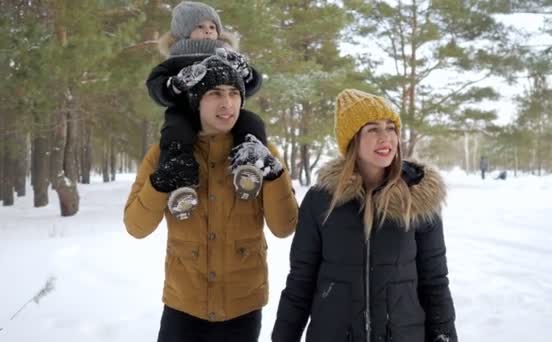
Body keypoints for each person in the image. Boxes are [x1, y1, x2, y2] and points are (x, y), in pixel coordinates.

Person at [124, 55, 299, 342]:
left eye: (233, 93)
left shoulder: (261, 152)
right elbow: (136, 227)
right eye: (215, 93)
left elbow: (284, 228)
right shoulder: (163, 154)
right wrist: (160, 183)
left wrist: (273, 173)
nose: (227, 103)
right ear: (195, 100)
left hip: (242, 307)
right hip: (184, 306)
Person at [272, 89, 457, 342]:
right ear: (352, 140)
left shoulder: (418, 199)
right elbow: (300, 281)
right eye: (372, 129)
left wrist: (445, 336)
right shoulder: (321, 200)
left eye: (391, 128)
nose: (386, 138)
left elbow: (435, 282)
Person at [146, 1, 265, 218]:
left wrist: (245, 73)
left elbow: (250, 85)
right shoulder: (174, 62)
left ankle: (248, 165)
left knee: (252, 122)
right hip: (185, 114)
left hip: (224, 115)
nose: (208, 30)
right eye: (200, 26)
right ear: (183, 32)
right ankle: (181, 184)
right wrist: (175, 84)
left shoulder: (226, 57)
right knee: (175, 133)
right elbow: (156, 88)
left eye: (212, 27)